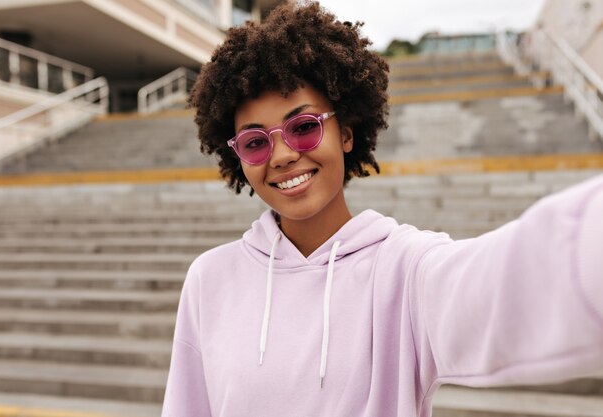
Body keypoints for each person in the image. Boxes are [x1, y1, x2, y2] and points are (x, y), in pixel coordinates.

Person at [161, 2, 603, 416]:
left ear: (347, 133)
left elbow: (511, 279)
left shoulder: (406, 271)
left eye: (303, 127)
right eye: (255, 142)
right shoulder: (209, 279)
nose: (280, 156)